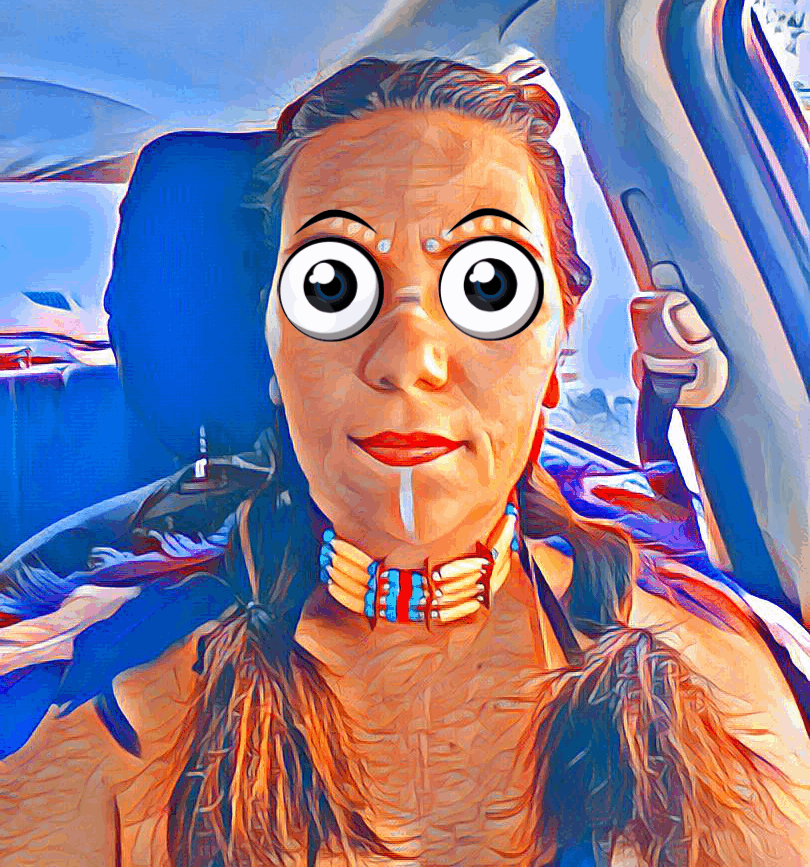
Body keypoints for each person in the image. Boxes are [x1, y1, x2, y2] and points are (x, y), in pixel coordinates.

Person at [1, 57, 809, 867]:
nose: (407, 359)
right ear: (275, 353)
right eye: (333, 287)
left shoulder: (718, 686)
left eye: (487, 285)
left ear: (555, 348)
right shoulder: (110, 722)